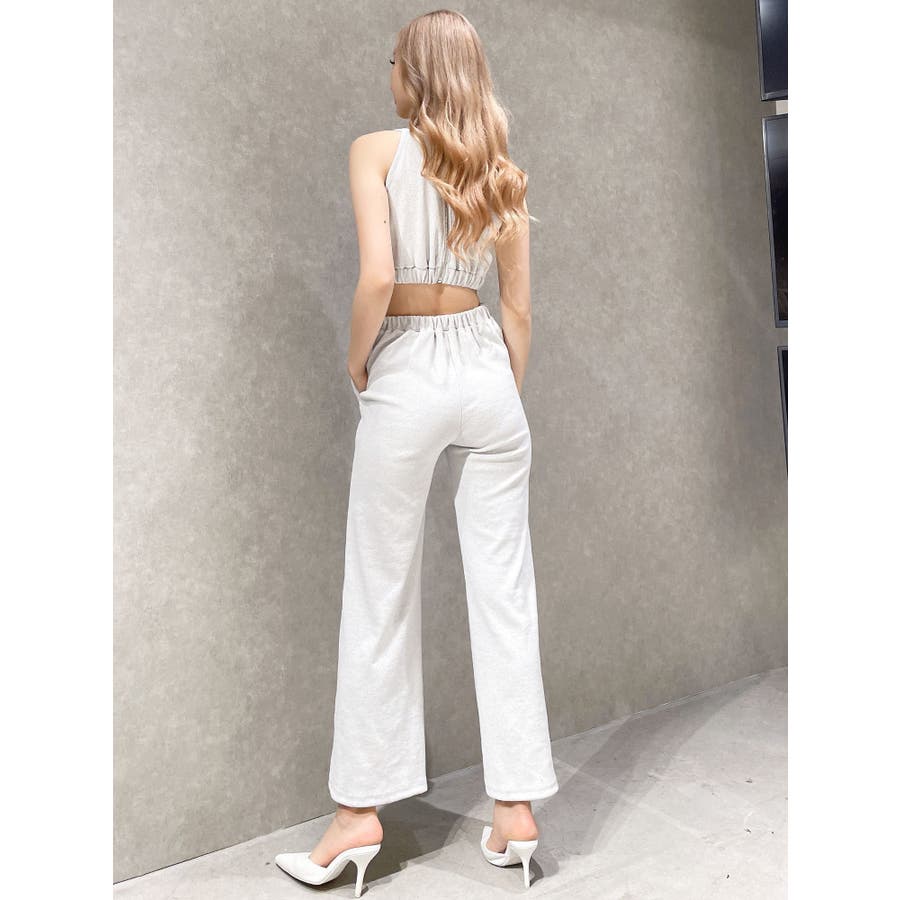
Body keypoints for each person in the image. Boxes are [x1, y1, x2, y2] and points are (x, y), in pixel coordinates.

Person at [275, 10, 558, 894]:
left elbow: (378, 278)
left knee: (380, 591)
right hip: (485, 369)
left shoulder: (375, 151)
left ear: (418, 76)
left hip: (406, 364)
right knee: (505, 594)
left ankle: (358, 816)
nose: (389, 73)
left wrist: (358, 359)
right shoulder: (503, 171)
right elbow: (518, 308)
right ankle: (516, 811)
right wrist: (501, 390)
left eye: (395, 61)